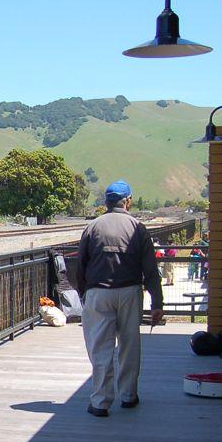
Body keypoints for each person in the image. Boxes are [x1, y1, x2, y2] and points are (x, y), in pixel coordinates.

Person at [74, 179, 164, 418]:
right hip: (130, 292)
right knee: (129, 344)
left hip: (98, 293)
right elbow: (151, 270)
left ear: (106, 201)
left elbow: (80, 265)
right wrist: (157, 303)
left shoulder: (93, 227)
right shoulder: (138, 228)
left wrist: (85, 293)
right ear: (128, 201)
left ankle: (101, 401)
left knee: (100, 347)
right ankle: (128, 395)